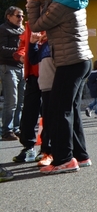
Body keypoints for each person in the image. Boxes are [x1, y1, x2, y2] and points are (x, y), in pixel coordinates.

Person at [27, 0, 94, 174]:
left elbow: (36, 25)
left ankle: (64, 159)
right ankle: (80, 156)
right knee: (70, 109)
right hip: (80, 60)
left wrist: (33, 2)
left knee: (58, 110)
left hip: (70, 62)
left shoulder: (60, 4)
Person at [12, 26, 41, 163]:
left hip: (49, 73)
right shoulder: (29, 26)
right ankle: (28, 147)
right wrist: (21, 55)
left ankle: (48, 148)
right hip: (32, 75)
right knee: (29, 112)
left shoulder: (51, 21)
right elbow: (23, 47)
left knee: (49, 112)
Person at [28, 31, 54, 168]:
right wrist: (32, 43)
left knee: (53, 121)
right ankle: (47, 152)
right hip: (45, 87)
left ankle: (51, 152)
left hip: (55, 86)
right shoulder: (44, 44)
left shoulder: (58, 42)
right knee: (47, 120)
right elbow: (33, 59)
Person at [0, 6, 25, 141]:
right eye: (18, 15)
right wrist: (17, 54)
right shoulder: (3, 29)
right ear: (9, 16)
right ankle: (6, 130)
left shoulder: (22, 30)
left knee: (20, 101)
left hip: (21, 67)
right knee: (12, 100)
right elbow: (2, 49)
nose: (21, 18)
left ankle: (16, 128)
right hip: (8, 67)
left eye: (22, 16)